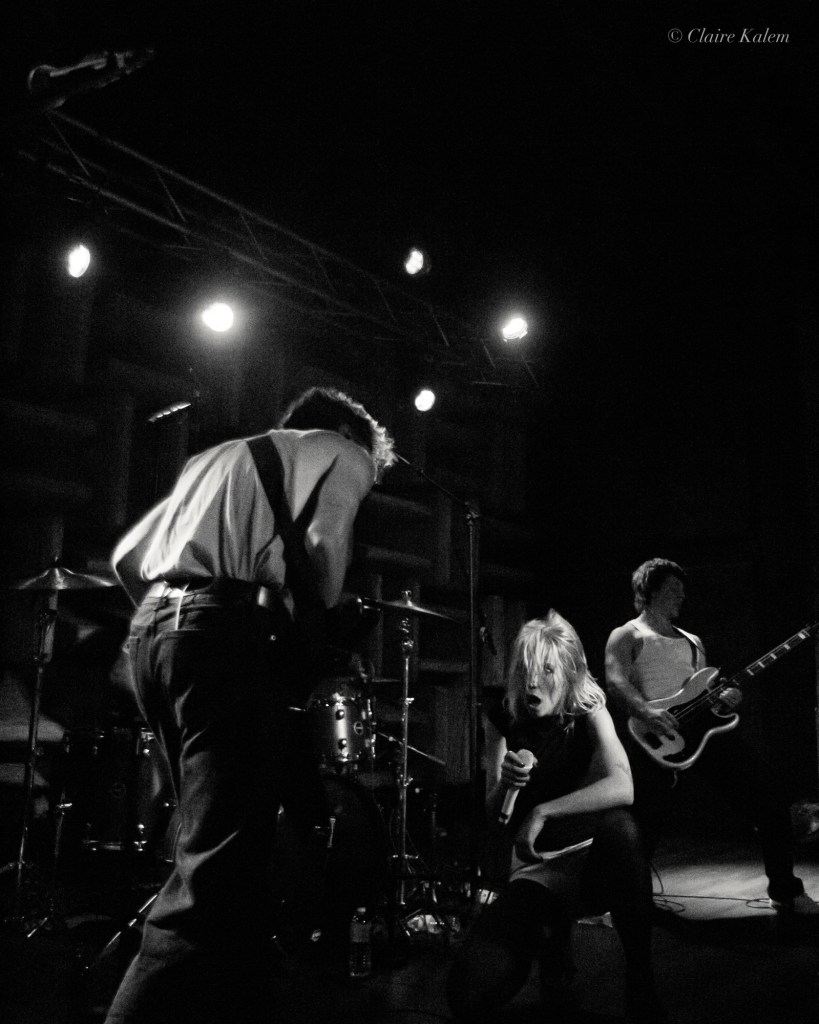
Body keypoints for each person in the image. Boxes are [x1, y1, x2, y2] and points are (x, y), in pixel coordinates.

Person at [104, 386, 395, 1024]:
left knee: (231, 864)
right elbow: (324, 548)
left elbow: (127, 560)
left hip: (154, 634)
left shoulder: (215, 458)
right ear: (348, 433)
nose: (368, 478)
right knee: (211, 879)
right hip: (223, 640)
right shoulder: (346, 452)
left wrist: (177, 625)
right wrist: (317, 620)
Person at [447, 611, 666, 1024]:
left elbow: (623, 786)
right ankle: (552, 942)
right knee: (466, 995)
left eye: (546, 670)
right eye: (527, 670)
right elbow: (494, 817)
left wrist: (542, 812)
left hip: (590, 862)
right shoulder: (503, 718)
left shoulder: (588, 709)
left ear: (568, 672)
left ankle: (640, 980)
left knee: (622, 829)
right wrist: (504, 784)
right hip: (536, 871)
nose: (533, 682)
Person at [604, 557, 819, 917]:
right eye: (673, 589)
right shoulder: (627, 634)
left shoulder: (693, 641)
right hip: (653, 738)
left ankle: (784, 891)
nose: (681, 596)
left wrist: (725, 699)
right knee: (642, 825)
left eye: (682, 590)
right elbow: (615, 681)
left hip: (701, 736)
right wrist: (646, 712)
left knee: (769, 796)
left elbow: (701, 692)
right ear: (649, 591)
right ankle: (624, 904)